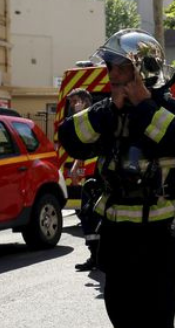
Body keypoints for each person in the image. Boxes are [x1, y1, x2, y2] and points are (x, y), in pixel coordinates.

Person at [58, 29, 175, 328]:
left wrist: (144, 105)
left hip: (160, 240)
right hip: (118, 241)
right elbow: (69, 138)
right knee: (120, 318)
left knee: (157, 321)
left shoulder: (171, 109)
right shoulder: (108, 112)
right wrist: (109, 109)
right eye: (111, 67)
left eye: (123, 67)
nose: (113, 75)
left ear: (144, 70)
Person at [65, 88, 102, 272]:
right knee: (88, 216)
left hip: (102, 175)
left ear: (85, 101)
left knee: (97, 215)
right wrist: (75, 165)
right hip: (90, 176)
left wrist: (80, 114)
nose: (72, 106)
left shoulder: (95, 116)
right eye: (71, 103)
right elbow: (82, 143)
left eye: (75, 101)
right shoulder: (84, 118)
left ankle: (102, 256)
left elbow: (91, 138)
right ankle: (94, 256)